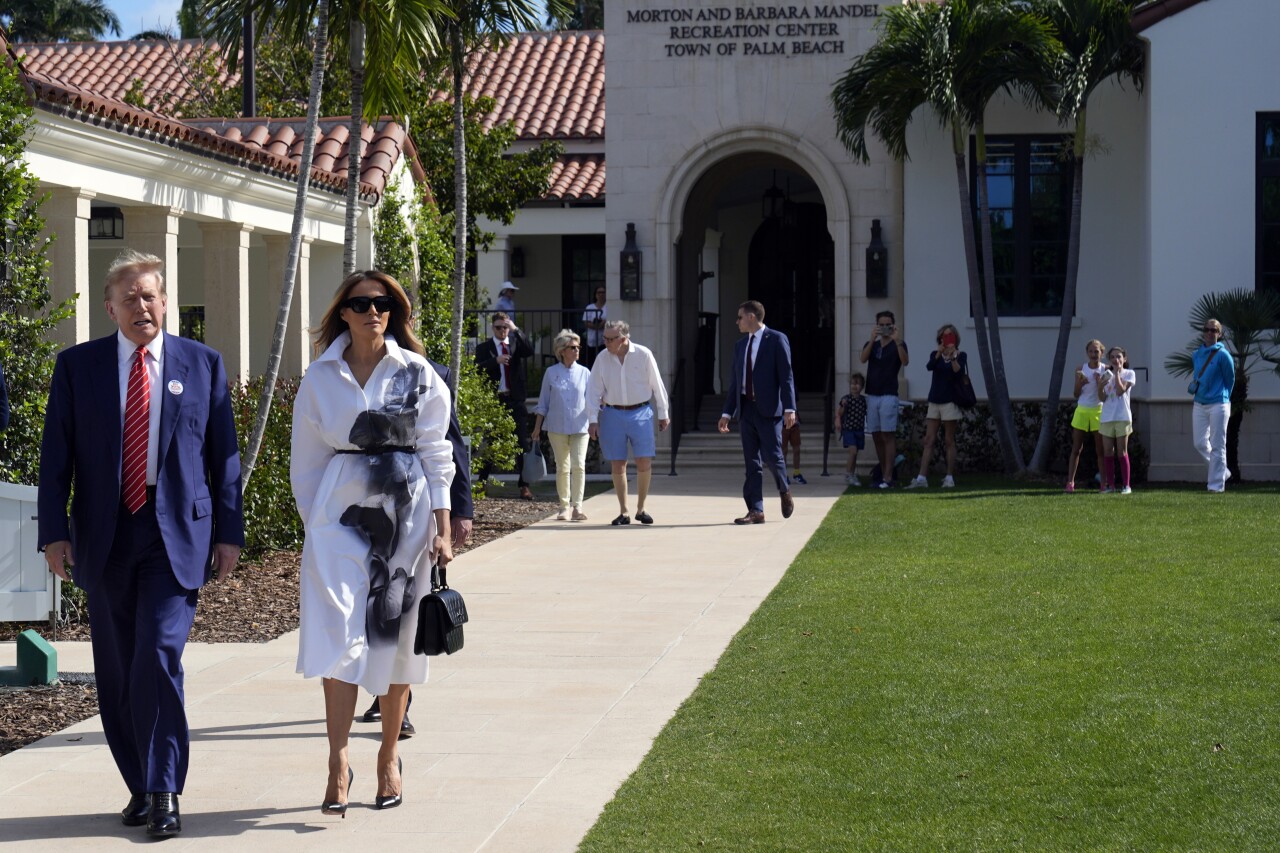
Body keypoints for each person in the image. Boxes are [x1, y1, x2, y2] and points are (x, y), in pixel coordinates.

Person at [37, 248, 244, 838]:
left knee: (157, 654)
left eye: (150, 295)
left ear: (164, 302)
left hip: (174, 531)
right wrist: (54, 532)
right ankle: (139, 781)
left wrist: (229, 532)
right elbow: (57, 459)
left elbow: (222, 460)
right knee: (117, 669)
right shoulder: (78, 367)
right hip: (104, 534)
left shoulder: (201, 364)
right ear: (110, 308)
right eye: (129, 298)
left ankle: (163, 789)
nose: (141, 306)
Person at [291, 270, 455, 817]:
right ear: (343, 312)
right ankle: (338, 759)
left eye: (382, 304)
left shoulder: (419, 373)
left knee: (393, 635)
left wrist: (444, 522)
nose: (372, 312)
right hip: (337, 513)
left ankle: (388, 755)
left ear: (394, 312)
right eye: (360, 303)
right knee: (337, 630)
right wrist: (315, 524)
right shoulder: (320, 377)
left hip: (407, 514)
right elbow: (307, 461)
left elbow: (436, 450)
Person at [360, 355, 474, 737]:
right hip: (365, 508)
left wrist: (458, 512)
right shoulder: (351, 372)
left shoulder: (432, 374)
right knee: (372, 608)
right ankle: (381, 695)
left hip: (416, 510)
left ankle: (399, 706)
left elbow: (450, 446)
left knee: (404, 608)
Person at [717, 300, 797, 525]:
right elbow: (735, 382)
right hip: (746, 408)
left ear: (752, 317)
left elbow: (786, 376)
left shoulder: (777, 339)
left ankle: (784, 490)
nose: (737, 322)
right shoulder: (740, 345)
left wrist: (790, 407)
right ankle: (756, 509)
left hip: (769, 409)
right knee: (751, 461)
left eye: (740, 317)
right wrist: (727, 412)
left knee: (773, 456)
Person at [586, 320, 670, 525]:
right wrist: (592, 420)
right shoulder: (602, 358)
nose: (606, 342)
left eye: (610, 339)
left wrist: (663, 412)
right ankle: (623, 512)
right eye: (605, 338)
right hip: (612, 413)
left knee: (644, 460)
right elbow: (593, 391)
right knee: (618, 462)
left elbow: (657, 384)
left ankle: (641, 508)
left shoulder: (643, 354)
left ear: (624, 339)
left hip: (640, 411)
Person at [532, 330, 592, 521]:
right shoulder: (551, 373)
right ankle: (563, 507)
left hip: (580, 427)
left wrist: (596, 423)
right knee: (563, 467)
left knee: (579, 465)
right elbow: (543, 402)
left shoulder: (585, 372)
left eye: (578, 347)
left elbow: (591, 401)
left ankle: (578, 507)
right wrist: (536, 428)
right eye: (572, 347)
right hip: (556, 427)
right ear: (562, 350)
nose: (576, 350)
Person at [475, 311, 535, 500]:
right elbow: (477, 368)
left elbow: (529, 350)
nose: (502, 331)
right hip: (495, 401)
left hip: (515, 399)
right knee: (491, 443)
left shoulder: (515, 344)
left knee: (521, 444)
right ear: (493, 328)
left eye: (505, 327)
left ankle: (524, 485)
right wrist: (495, 361)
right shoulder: (485, 348)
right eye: (499, 327)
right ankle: (482, 483)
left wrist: (517, 330)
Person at [907, 323, 966, 489]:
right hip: (934, 400)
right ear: (940, 338)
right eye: (944, 336)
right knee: (928, 440)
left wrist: (952, 355)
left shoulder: (961, 355)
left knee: (949, 440)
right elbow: (929, 367)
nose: (947, 338)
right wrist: (940, 352)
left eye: (950, 335)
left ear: (955, 338)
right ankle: (921, 478)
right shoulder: (935, 354)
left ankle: (949, 477)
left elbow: (958, 372)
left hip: (950, 402)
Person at [859, 310, 909, 489]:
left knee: (888, 435)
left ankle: (888, 477)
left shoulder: (899, 344)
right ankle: (883, 472)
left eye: (888, 324)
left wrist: (896, 339)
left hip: (889, 395)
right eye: (882, 325)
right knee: (876, 434)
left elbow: (905, 361)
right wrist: (872, 339)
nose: (885, 327)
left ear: (893, 325)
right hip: (872, 394)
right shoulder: (872, 344)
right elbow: (863, 358)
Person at [1191, 318, 1235, 493]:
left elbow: (1230, 379)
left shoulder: (1224, 355)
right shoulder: (1196, 354)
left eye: (1214, 330)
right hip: (1199, 403)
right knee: (1199, 443)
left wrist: (1223, 397)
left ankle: (1215, 486)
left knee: (1218, 444)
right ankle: (1222, 471)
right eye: (1207, 329)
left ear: (1219, 334)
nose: (1210, 333)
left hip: (1219, 403)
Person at [1065, 339, 1107, 493]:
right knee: (1076, 448)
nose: (1094, 354)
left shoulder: (1106, 370)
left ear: (1102, 353)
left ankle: (1104, 483)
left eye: (1096, 351)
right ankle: (1070, 482)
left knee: (1100, 451)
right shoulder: (1080, 369)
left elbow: (1106, 396)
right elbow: (1076, 394)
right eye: (1091, 351)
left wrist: (1100, 383)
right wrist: (1080, 384)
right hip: (1082, 410)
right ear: (1087, 353)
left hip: (1098, 411)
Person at [1098, 345, 1137, 495]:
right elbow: (1102, 398)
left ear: (1124, 359)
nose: (1116, 359)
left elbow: (1120, 391)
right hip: (1107, 417)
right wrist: (1100, 386)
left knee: (1122, 451)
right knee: (1108, 451)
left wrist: (1117, 374)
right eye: (1113, 357)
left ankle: (1126, 485)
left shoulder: (1129, 373)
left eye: (1119, 357)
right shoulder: (1106, 375)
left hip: (1122, 417)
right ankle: (1111, 485)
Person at [836, 373, 868, 486]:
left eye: (858, 384)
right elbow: (839, 413)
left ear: (862, 387)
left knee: (855, 454)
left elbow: (867, 413)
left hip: (859, 429)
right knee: (853, 451)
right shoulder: (846, 399)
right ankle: (848, 474)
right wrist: (843, 407)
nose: (855, 386)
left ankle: (853, 475)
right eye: (853, 383)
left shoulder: (864, 400)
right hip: (848, 429)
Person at [582, 285, 608, 367]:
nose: (601, 294)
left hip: (604, 340)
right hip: (592, 340)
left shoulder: (608, 307)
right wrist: (595, 326)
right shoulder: (590, 307)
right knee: (591, 361)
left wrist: (603, 323)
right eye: (599, 292)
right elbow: (585, 322)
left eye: (603, 292)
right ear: (595, 295)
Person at [782, 414, 806, 485]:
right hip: (782, 422)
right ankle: (784, 475)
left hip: (793, 422)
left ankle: (797, 474)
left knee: (797, 450)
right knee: (784, 451)